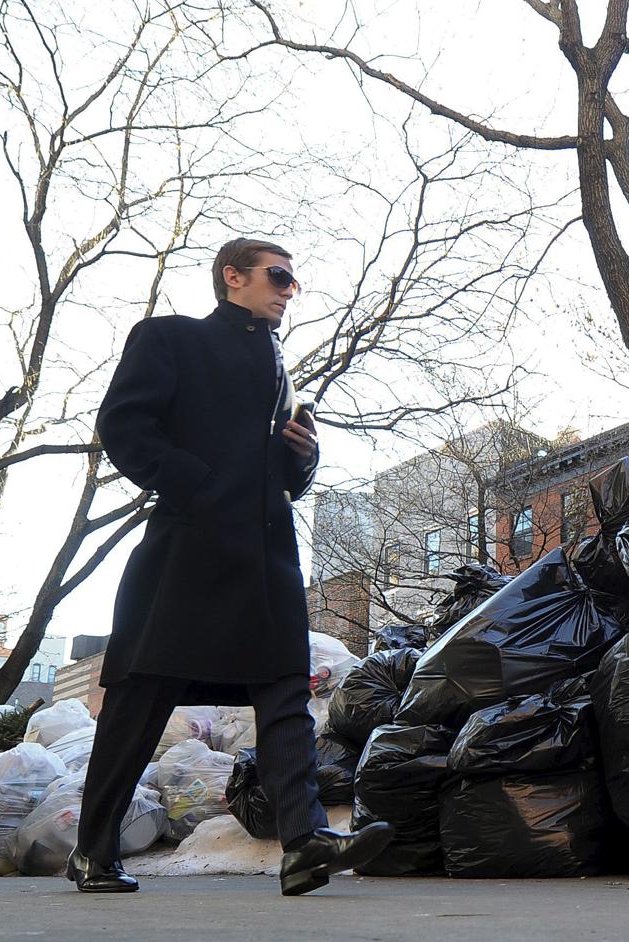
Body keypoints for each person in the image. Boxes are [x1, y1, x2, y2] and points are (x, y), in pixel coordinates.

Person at [76, 238, 391, 895]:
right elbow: (123, 425)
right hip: (184, 556)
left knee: (285, 697)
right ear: (232, 277)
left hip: (267, 560)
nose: (289, 288)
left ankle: (303, 844)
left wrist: (301, 459)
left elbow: (281, 473)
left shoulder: (278, 368)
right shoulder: (171, 338)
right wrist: (198, 483)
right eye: (278, 276)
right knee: (139, 704)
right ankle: (93, 851)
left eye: (293, 279)